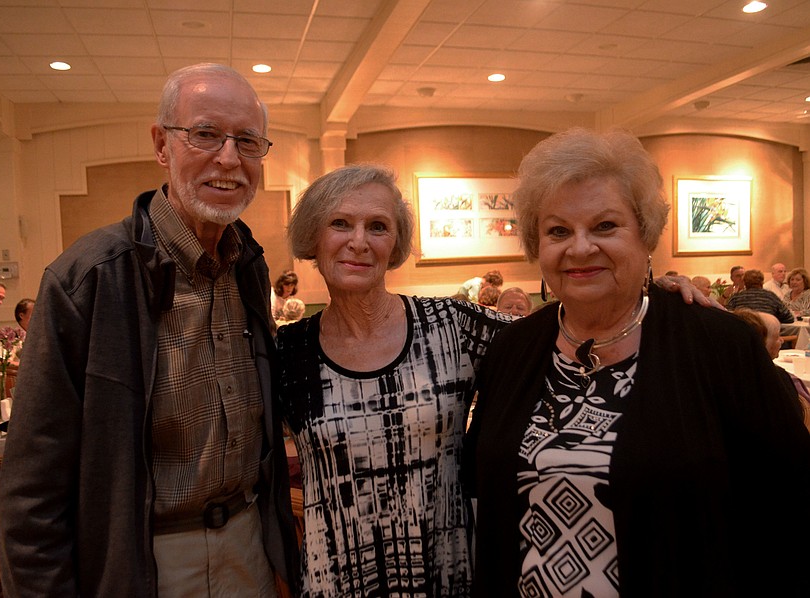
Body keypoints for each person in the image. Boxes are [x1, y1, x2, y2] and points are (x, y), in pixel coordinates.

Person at [275, 163, 708, 596]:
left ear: (396, 242)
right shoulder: (286, 351)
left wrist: (650, 292)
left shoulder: (451, 325)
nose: (359, 241)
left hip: (450, 571)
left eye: (378, 226)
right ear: (314, 237)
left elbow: (564, 329)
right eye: (340, 224)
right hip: (335, 575)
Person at [463, 127, 810, 597]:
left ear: (645, 235)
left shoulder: (717, 344)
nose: (580, 248)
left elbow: (787, 502)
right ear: (536, 246)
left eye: (605, 226)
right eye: (558, 230)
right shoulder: (512, 350)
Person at [0, 63, 299, 596]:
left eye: (248, 141)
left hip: (249, 550)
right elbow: (31, 492)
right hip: (140, 563)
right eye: (205, 134)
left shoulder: (248, 267)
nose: (229, 158)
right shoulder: (89, 278)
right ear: (162, 144)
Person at [731, 308, 810, 431]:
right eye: (777, 336)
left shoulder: (725, 375)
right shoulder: (777, 379)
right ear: (761, 343)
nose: (782, 340)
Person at [725, 268, 794, 323]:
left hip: (743, 336)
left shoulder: (736, 298)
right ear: (762, 282)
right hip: (767, 335)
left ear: (745, 282)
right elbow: (789, 318)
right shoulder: (771, 296)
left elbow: (727, 317)